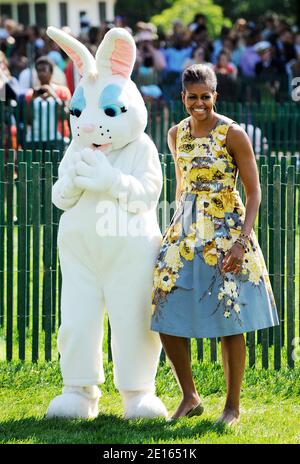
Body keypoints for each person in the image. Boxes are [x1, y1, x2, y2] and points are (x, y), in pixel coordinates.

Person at [151, 64, 279, 425]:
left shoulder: (232, 134)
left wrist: (240, 243)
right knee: (164, 305)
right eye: (192, 97)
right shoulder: (176, 133)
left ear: (215, 96)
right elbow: (180, 184)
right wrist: (172, 228)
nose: (199, 103)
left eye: (205, 96)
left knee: (230, 315)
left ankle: (232, 406)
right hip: (185, 230)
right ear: (183, 97)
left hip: (226, 231)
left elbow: (253, 193)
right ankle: (189, 396)